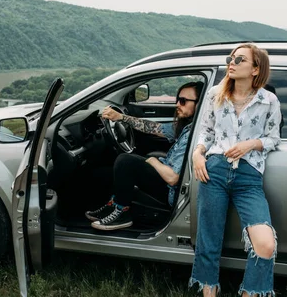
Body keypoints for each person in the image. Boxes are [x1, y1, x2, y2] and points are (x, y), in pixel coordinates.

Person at [190, 43, 281, 297]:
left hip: (248, 177)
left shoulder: (269, 101)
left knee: (265, 244)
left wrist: (250, 144)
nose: (232, 62)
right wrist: (197, 153)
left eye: (239, 59)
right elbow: (205, 131)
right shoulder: (217, 94)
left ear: (255, 69)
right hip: (214, 170)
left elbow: (272, 138)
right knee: (209, 240)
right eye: (231, 58)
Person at [86, 81, 204, 231]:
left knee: (125, 161)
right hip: (167, 180)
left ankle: (122, 213)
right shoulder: (187, 127)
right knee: (124, 164)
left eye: (183, 101)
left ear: (199, 104)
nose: (177, 105)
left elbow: (173, 178)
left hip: (171, 191)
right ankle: (114, 206)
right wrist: (121, 117)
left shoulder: (194, 134)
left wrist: (153, 161)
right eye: (177, 100)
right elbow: (153, 127)